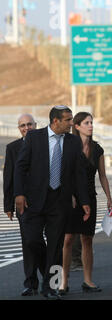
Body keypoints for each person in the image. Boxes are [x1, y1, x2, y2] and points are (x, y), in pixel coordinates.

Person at [14, 105, 90, 300]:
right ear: (55, 121)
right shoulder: (34, 137)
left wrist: (84, 200)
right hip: (34, 200)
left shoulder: (73, 142)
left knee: (56, 245)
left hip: (60, 201)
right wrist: (19, 194)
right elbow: (20, 168)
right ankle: (45, 269)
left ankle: (51, 287)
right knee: (32, 240)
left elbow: (79, 174)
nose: (71, 123)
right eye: (68, 120)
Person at [59, 112, 112, 294]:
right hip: (70, 198)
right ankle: (63, 282)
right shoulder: (67, 146)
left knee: (87, 239)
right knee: (67, 239)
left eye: (91, 122)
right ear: (77, 126)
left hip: (90, 197)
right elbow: (62, 173)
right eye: (86, 123)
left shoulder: (97, 149)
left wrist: (109, 199)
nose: (90, 126)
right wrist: (68, 195)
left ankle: (88, 281)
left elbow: (103, 176)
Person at [3, 114, 46, 296]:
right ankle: (31, 283)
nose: (26, 128)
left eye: (29, 124)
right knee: (29, 241)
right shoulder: (13, 148)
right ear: (18, 128)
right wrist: (8, 205)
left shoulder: (47, 145)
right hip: (24, 203)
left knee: (55, 243)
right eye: (22, 125)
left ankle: (55, 282)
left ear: (36, 125)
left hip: (49, 201)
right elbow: (9, 177)